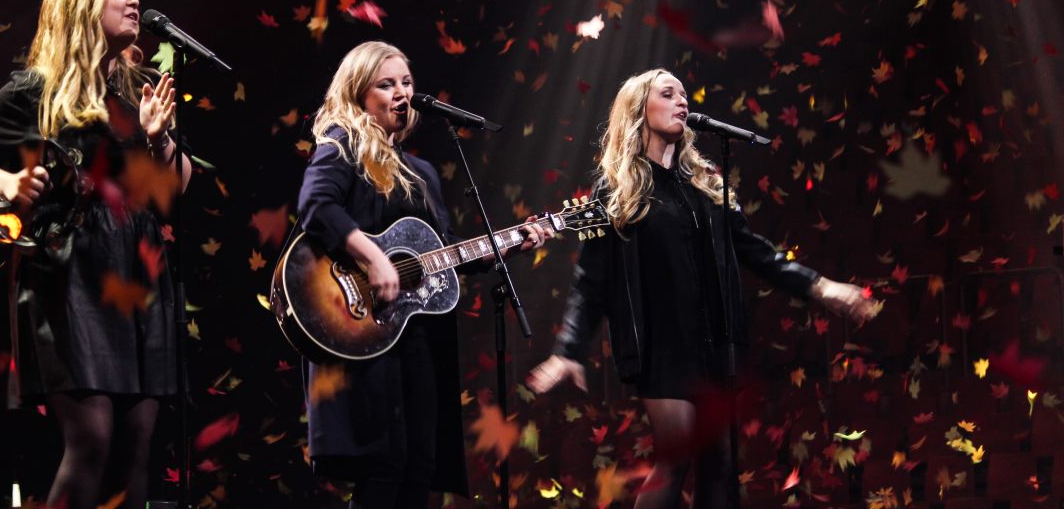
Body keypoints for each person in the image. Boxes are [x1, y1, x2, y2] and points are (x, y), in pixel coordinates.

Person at [527, 69, 874, 509]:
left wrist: (820, 287)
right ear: (639, 109)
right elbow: (590, 279)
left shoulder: (706, 185)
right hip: (661, 346)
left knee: (720, 462)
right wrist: (569, 351)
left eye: (684, 95)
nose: (682, 102)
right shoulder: (617, 190)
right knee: (676, 456)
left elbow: (756, 252)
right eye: (668, 94)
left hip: (714, 342)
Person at [0, 0, 192, 509]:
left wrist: (159, 140)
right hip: (73, 270)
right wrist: (8, 182)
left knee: (136, 447)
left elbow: (175, 187)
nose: (134, 1)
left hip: (138, 272)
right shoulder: (36, 88)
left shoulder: (134, 93)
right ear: (83, 9)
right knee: (92, 438)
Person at [297, 40, 550, 509]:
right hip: (360, 325)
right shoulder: (342, 144)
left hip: (414, 335)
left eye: (407, 83)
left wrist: (510, 244)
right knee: (383, 466)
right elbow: (316, 207)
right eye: (386, 84)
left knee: (420, 465)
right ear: (358, 92)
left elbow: (443, 252)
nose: (402, 92)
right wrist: (374, 258)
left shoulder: (422, 172)